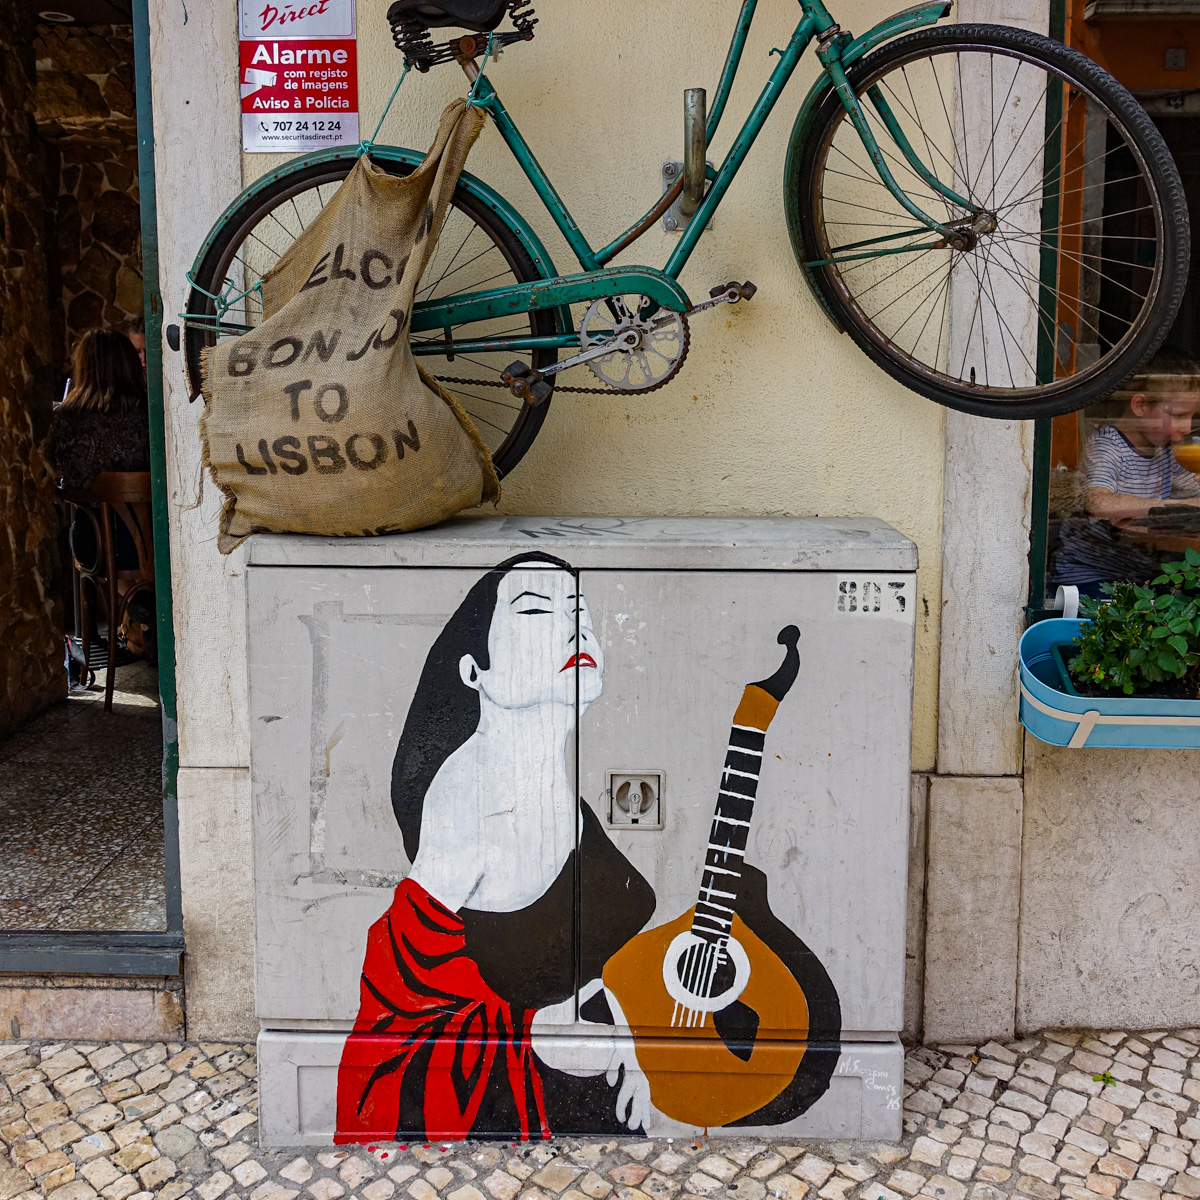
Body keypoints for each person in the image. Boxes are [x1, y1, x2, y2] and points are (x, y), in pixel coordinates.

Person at [335, 552, 658, 1143]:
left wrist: (627, 1041)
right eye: (536, 611)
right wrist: (538, 1028)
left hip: (595, 1088)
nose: (574, 628)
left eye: (578, 609)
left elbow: (571, 951)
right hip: (511, 1111)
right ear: (473, 671)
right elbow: (401, 984)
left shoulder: (556, 787)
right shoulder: (467, 798)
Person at [1051, 361, 1200, 598]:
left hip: (1138, 578)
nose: (1187, 427)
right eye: (1179, 415)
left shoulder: (1165, 451)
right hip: (1088, 579)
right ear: (1140, 405)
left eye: (1193, 416)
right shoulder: (1107, 445)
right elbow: (1098, 503)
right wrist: (1180, 506)